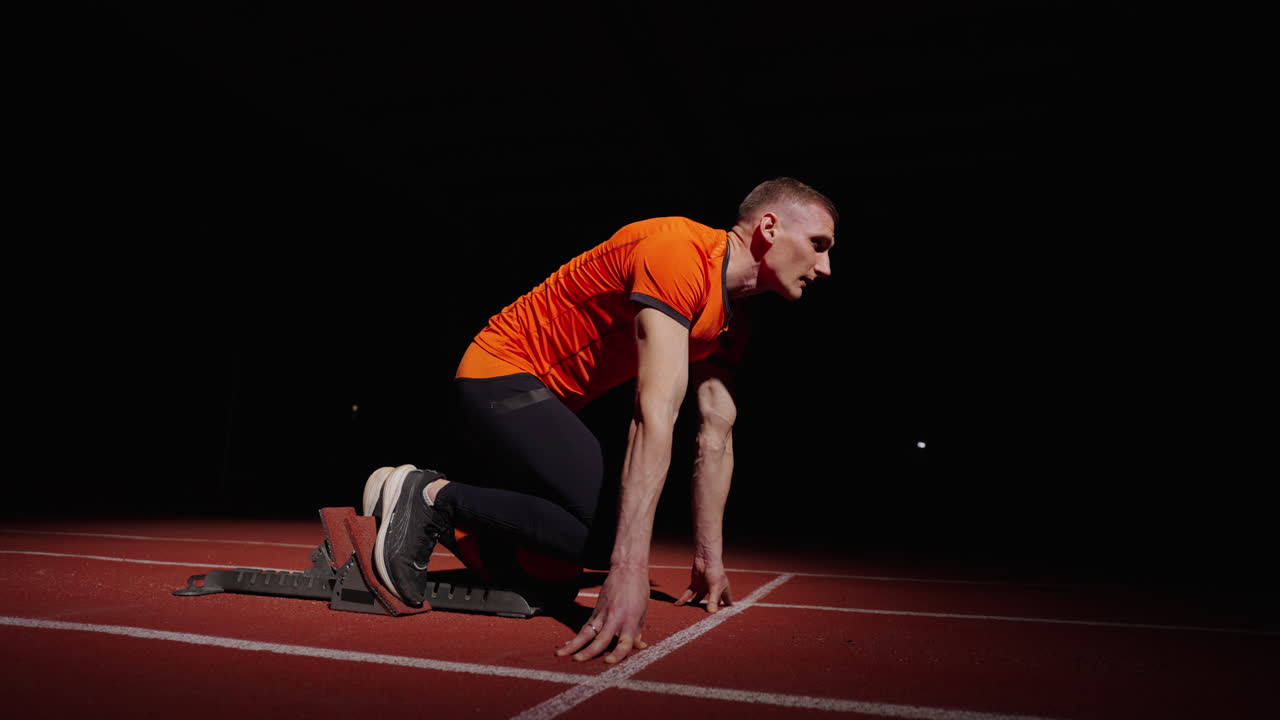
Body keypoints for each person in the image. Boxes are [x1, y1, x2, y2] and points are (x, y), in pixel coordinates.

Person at [365, 177, 837, 664]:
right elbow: (653, 411)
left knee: (555, 572)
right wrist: (628, 568)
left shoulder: (732, 318)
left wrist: (707, 558)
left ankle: (475, 534)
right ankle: (427, 494)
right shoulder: (681, 251)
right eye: (818, 245)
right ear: (769, 227)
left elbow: (715, 434)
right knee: (606, 526)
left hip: (545, 405)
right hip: (499, 373)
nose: (825, 268)